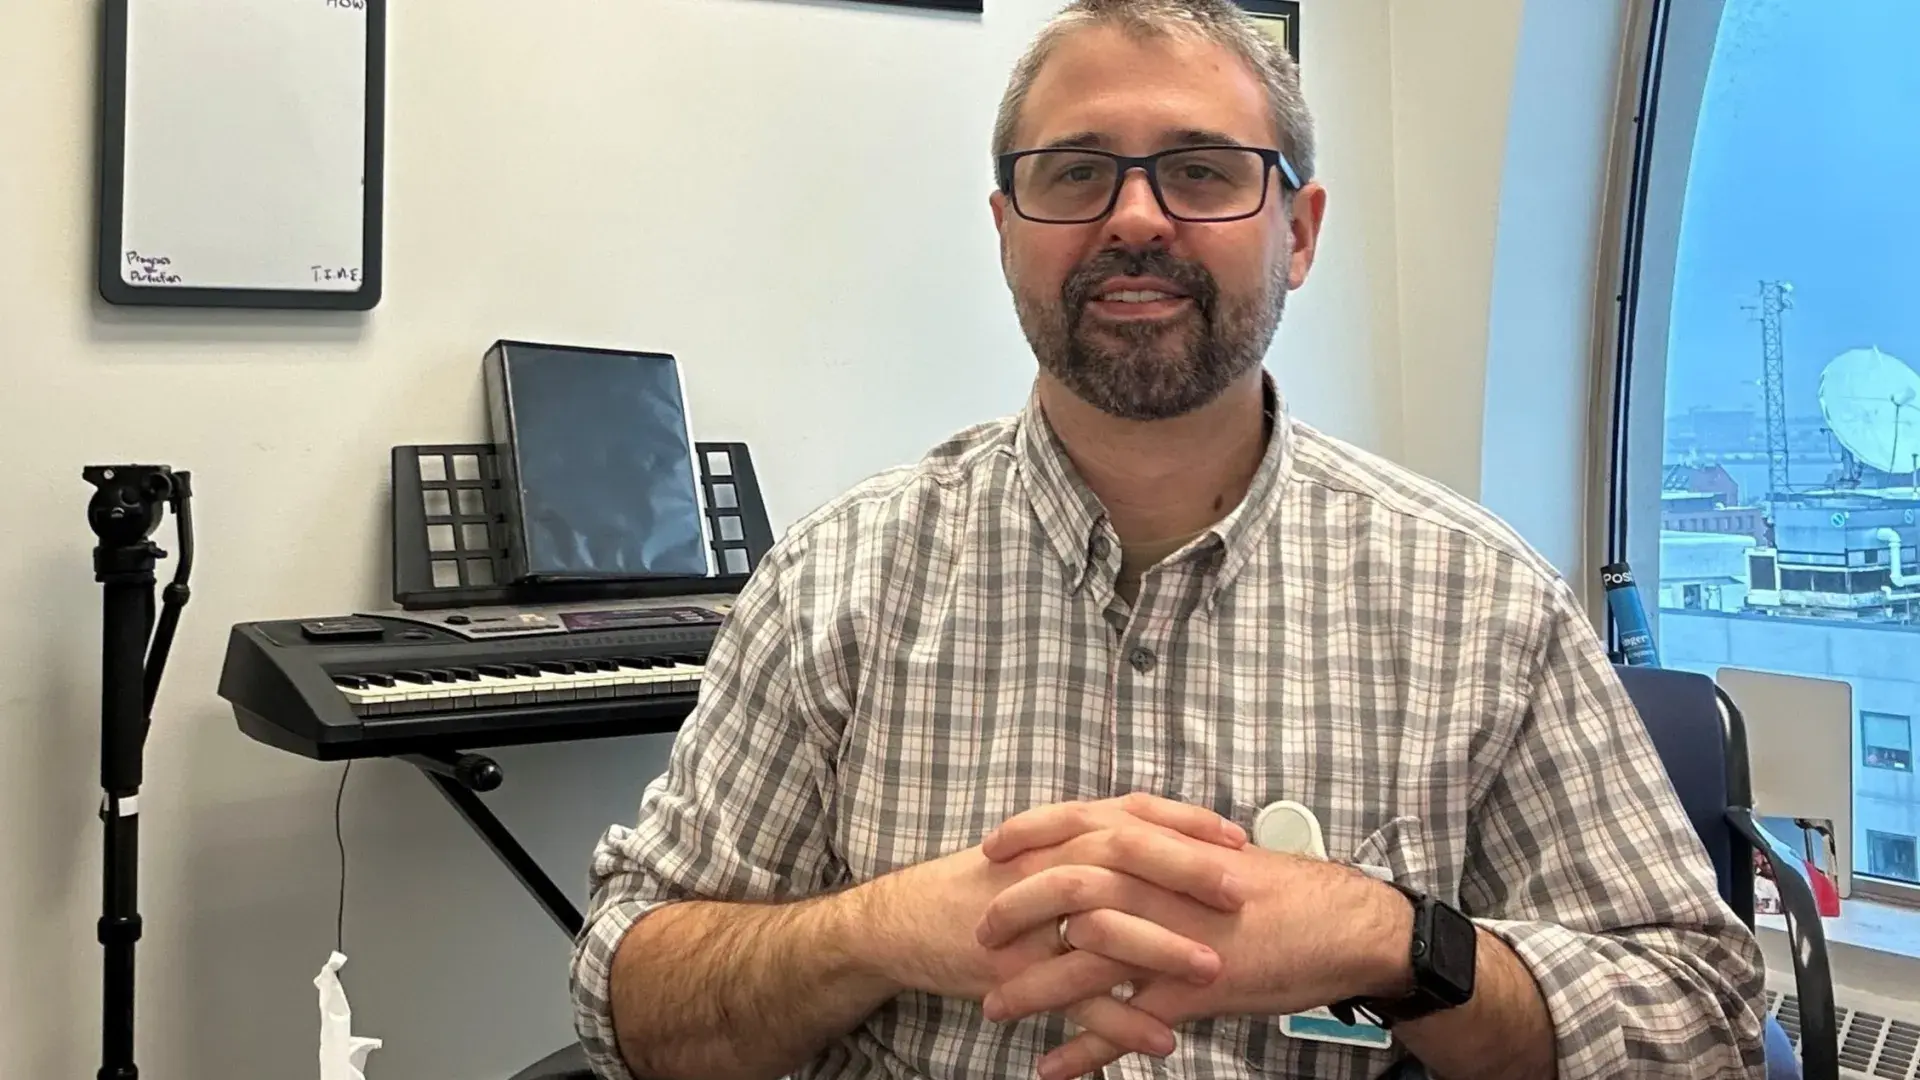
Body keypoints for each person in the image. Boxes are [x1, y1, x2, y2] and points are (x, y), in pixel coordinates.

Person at [568, 0, 1770, 1077]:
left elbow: (1699, 1023)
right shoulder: (838, 579)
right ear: (1006, 229)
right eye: (1077, 172)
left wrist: (1394, 940)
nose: (1134, 219)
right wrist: (875, 929)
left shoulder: (1482, 602)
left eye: (1201, 173)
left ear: (1298, 232)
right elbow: (630, 1002)